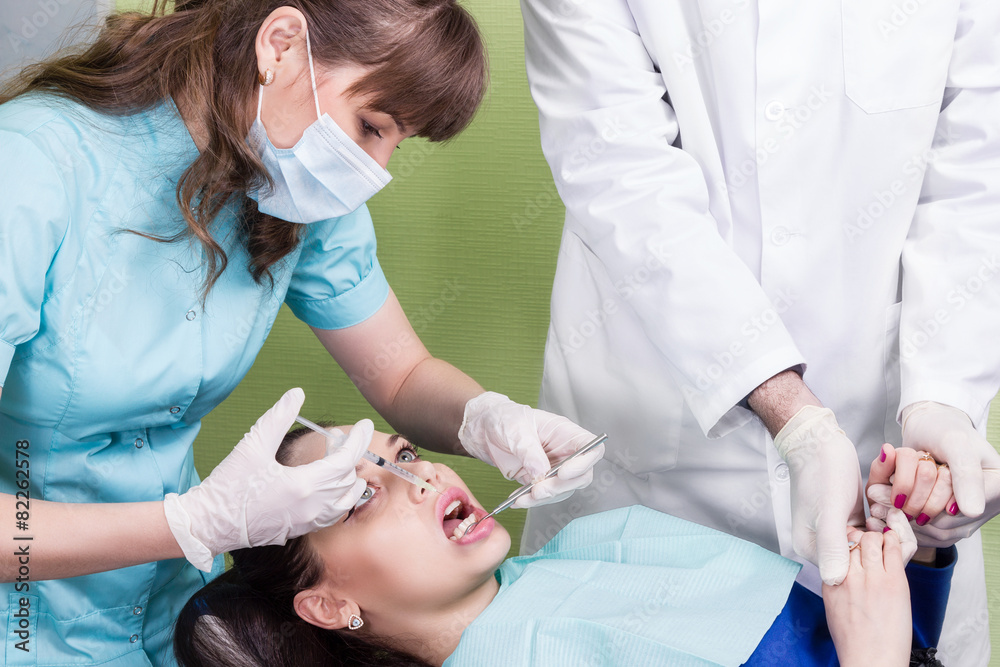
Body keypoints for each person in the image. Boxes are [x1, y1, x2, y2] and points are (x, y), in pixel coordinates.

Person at [0, 1, 602, 664]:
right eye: (371, 126)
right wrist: (196, 523)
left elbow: (400, 374)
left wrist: (484, 417)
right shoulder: (31, 170)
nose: (376, 167)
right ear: (279, 45)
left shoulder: (290, 183)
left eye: (397, 142)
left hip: (167, 610)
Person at [516, 1, 1000, 662]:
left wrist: (944, 396)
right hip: (667, 449)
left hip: (881, 434)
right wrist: (795, 419)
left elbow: (980, 180)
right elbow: (618, 173)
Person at [173, 426, 961, 667]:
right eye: (360, 495)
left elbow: (889, 636)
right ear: (327, 602)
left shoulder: (604, 536)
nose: (421, 478)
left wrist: (914, 550)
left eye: (403, 453)